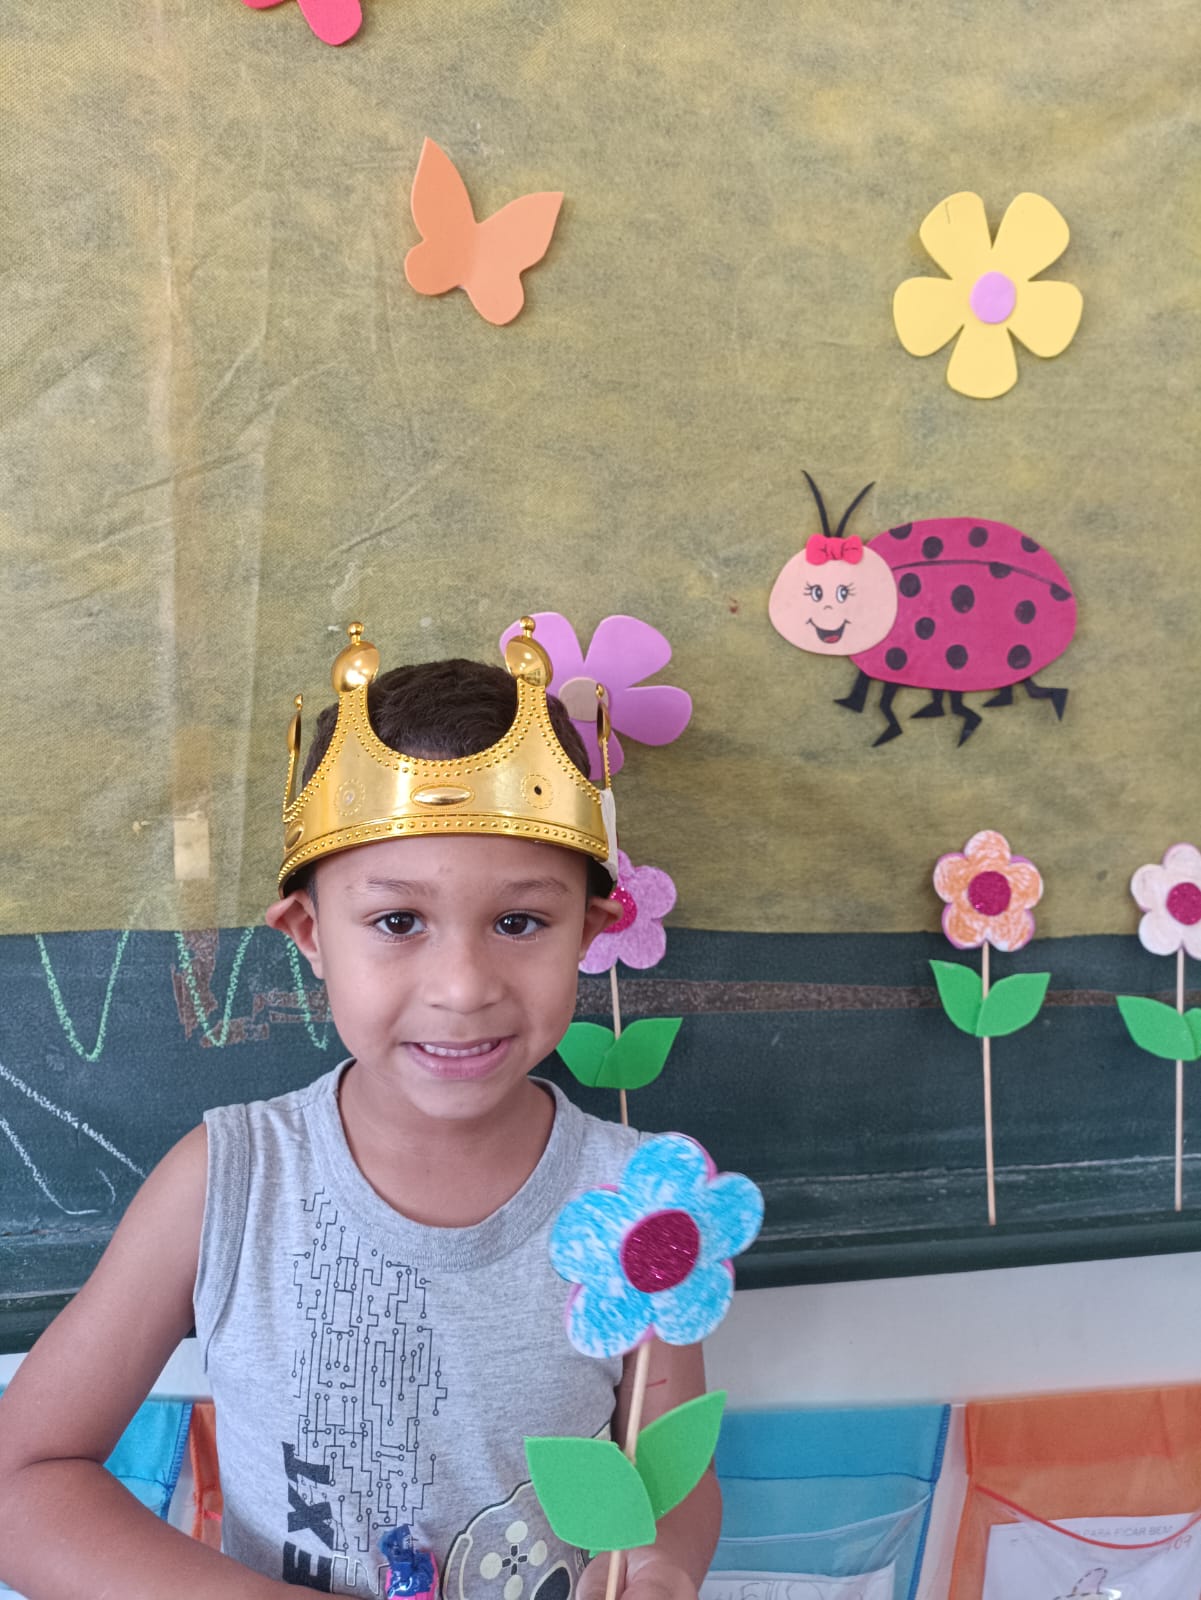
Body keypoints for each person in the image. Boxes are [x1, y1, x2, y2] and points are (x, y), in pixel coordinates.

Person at [0, 618, 720, 1600]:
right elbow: (23, 1481)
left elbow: (667, 1471)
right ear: (308, 932)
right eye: (397, 920)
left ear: (590, 931)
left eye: (519, 921)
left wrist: (663, 1567)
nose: (462, 986)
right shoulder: (226, 1183)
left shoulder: (644, 1204)